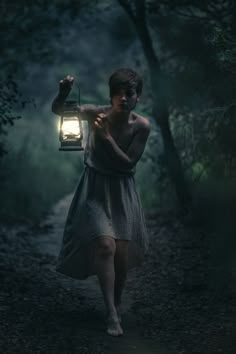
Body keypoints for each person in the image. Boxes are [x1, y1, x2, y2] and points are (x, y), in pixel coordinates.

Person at [51, 68, 151, 336]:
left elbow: (128, 163)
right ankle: (111, 313)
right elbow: (60, 111)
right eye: (117, 92)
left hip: (122, 191)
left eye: (128, 93)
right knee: (105, 245)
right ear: (111, 95)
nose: (122, 98)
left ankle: (116, 301)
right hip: (95, 186)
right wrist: (63, 94)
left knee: (121, 253)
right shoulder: (98, 113)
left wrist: (105, 138)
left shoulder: (141, 126)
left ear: (137, 97)